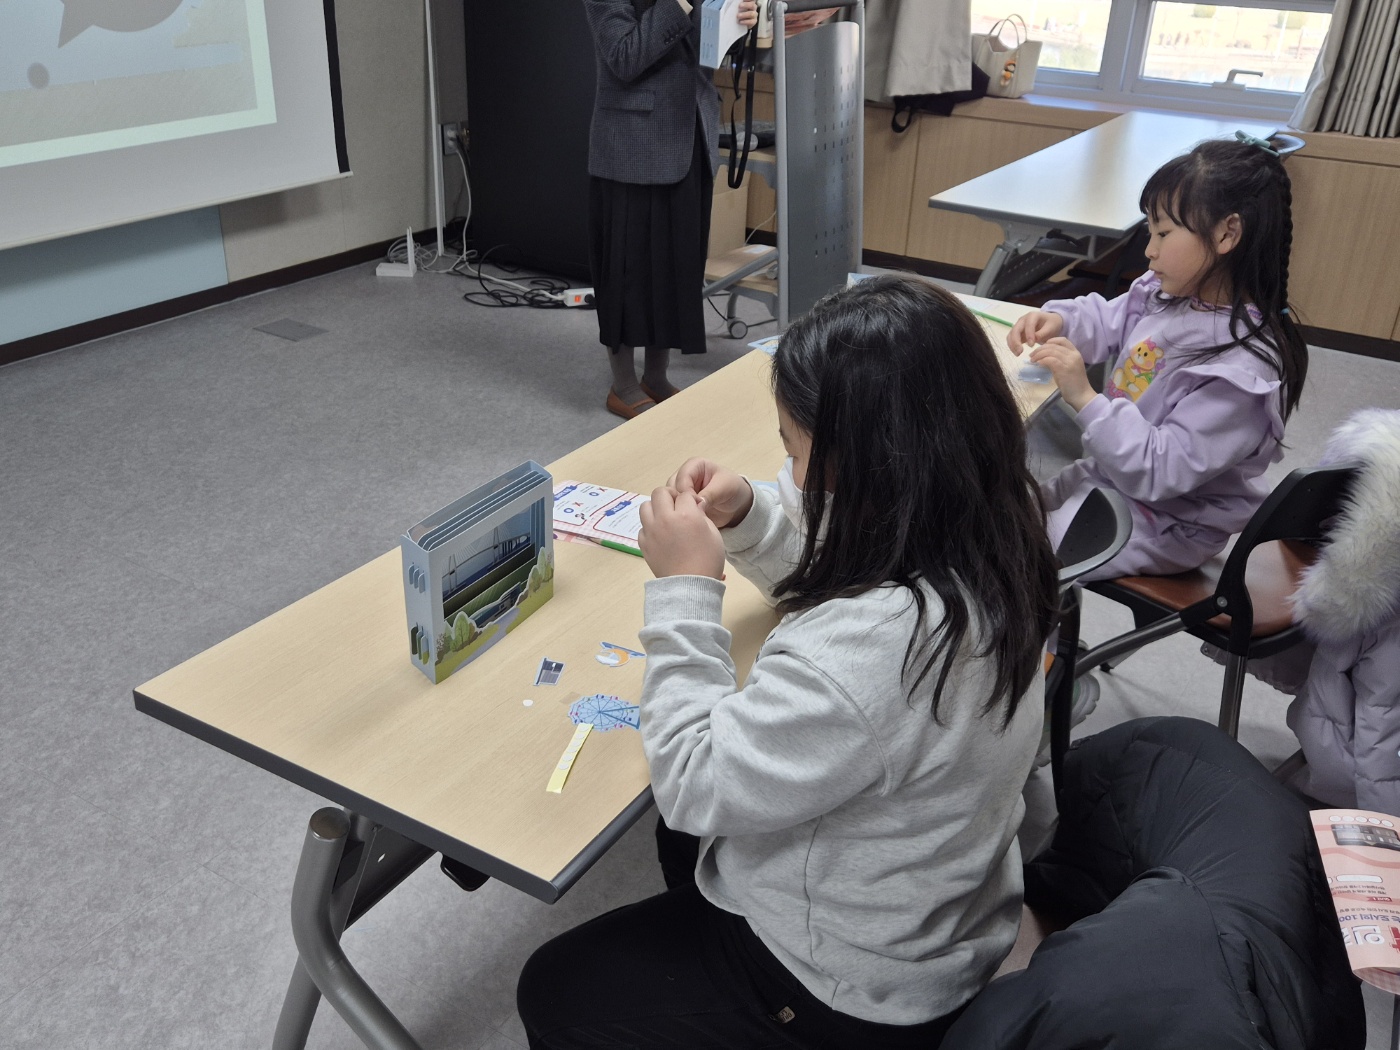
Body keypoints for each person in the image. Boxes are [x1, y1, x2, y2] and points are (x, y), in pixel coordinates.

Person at [516, 275, 1060, 1049]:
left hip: (855, 987)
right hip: (948, 904)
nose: (792, 475)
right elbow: (849, 564)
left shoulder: (867, 650)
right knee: (681, 849)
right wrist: (751, 515)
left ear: (865, 467)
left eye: (794, 452)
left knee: (553, 985)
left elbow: (693, 783)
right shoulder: (991, 532)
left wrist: (686, 591)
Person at [1009, 135, 1308, 581]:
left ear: (1227, 233)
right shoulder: (1166, 293)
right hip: (1112, 475)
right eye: (1150, 231)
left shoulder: (1242, 370)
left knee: (1017, 557)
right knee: (1005, 511)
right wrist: (1061, 321)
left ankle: (1031, 625)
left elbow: (1161, 471)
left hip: (1168, 519)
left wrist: (1086, 398)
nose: (1149, 249)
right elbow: (1109, 319)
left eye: (1163, 233)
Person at [581, 0, 757, 420]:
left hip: (691, 134)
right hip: (631, 140)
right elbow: (624, 57)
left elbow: (705, 49)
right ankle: (623, 385)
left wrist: (738, 25)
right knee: (625, 272)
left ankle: (656, 377)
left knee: (673, 266)